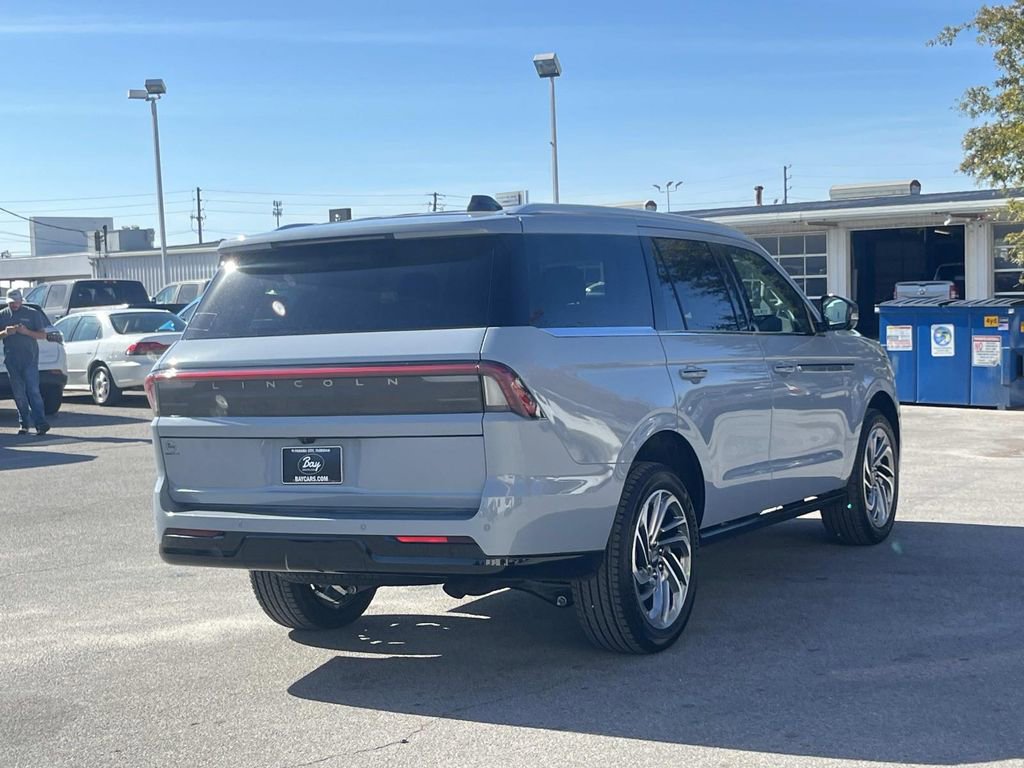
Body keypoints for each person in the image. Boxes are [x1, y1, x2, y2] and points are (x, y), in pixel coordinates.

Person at [1, 288, 50, 435]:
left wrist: (26, 332)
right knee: (19, 393)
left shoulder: (32, 314)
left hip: (30, 359)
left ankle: (41, 424)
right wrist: (5, 332)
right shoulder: (2, 315)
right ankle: (24, 424)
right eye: (11, 302)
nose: (14, 305)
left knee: (33, 391)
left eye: (17, 302)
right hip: (12, 360)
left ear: (21, 300)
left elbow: (42, 335)